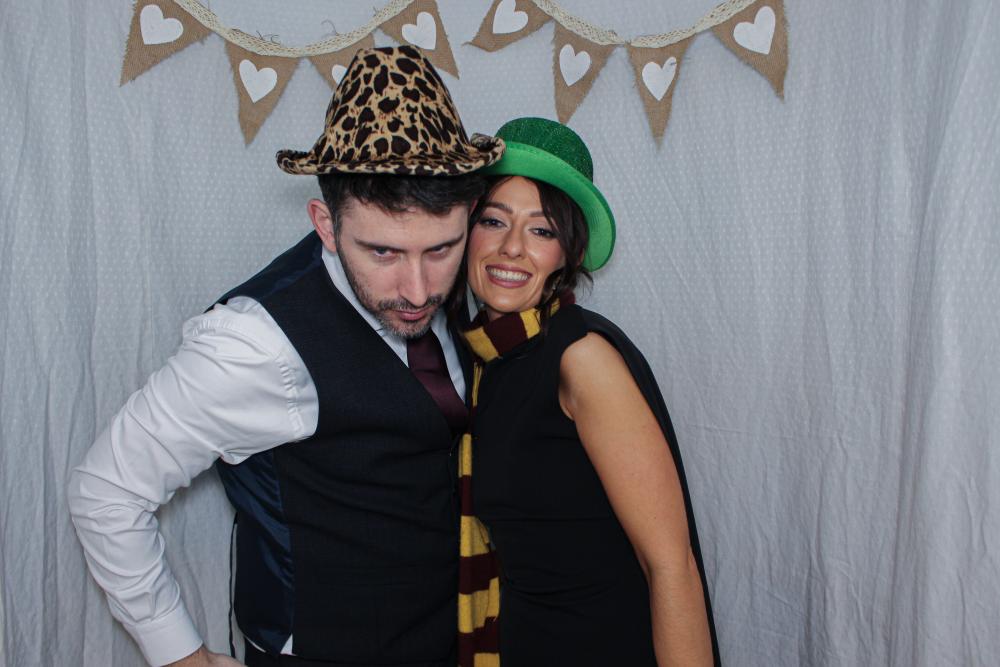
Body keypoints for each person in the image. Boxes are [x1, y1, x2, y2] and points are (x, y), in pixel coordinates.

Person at [67, 46, 504, 667]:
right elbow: (105, 491)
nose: (417, 290)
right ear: (325, 224)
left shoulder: (459, 288)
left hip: (447, 635)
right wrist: (180, 654)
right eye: (382, 253)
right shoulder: (253, 344)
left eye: (440, 249)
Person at [457, 117, 720, 666]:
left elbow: (671, 567)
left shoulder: (580, 357)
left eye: (542, 231)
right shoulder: (485, 361)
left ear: (568, 253)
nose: (512, 248)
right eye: (494, 220)